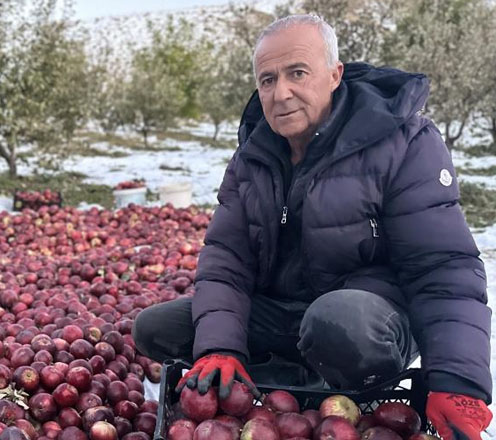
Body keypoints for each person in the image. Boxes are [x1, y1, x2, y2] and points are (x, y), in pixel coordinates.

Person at [132, 14, 493, 440]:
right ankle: (286, 388)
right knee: (156, 327)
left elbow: (442, 267)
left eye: (297, 73)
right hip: (286, 313)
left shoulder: (403, 144)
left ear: (335, 74)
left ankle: (345, 386)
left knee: (335, 322)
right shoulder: (254, 155)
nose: (281, 93)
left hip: (370, 317)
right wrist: (220, 348)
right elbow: (227, 260)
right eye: (267, 80)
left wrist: (458, 379)